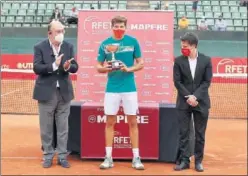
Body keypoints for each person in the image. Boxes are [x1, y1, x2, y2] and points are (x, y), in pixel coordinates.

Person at [96, 15, 144, 170]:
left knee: (133, 122)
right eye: (116, 26)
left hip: (129, 88)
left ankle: (136, 158)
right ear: (112, 27)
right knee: (110, 122)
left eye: (121, 26)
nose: (119, 29)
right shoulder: (105, 44)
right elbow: (98, 66)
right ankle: (108, 157)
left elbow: (141, 63)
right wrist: (107, 68)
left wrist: (128, 69)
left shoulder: (133, 41)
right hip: (112, 89)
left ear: (125, 27)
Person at [33, 20, 78, 168]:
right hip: (46, 92)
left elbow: (75, 66)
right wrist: (54, 65)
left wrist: (67, 66)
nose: (61, 34)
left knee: (63, 127)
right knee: (46, 127)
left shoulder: (68, 46)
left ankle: (62, 156)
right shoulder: (40, 47)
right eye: (58, 31)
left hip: (64, 93)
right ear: (50, 33)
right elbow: (37, 67)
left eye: (62, 31)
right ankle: (47, 156)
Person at [173, 32, 213, 172]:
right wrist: (188, 97)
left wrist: (195, 97)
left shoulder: (206, 60)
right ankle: (184, 160)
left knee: (200, 134)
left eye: (185, 46)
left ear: (194, 46)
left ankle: (198, 161)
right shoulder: (178, 61)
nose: (182, 48)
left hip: (201, 102)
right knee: (183, 133)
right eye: (181, 46)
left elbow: (206, 82)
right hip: (184, 103)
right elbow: (177, 82)